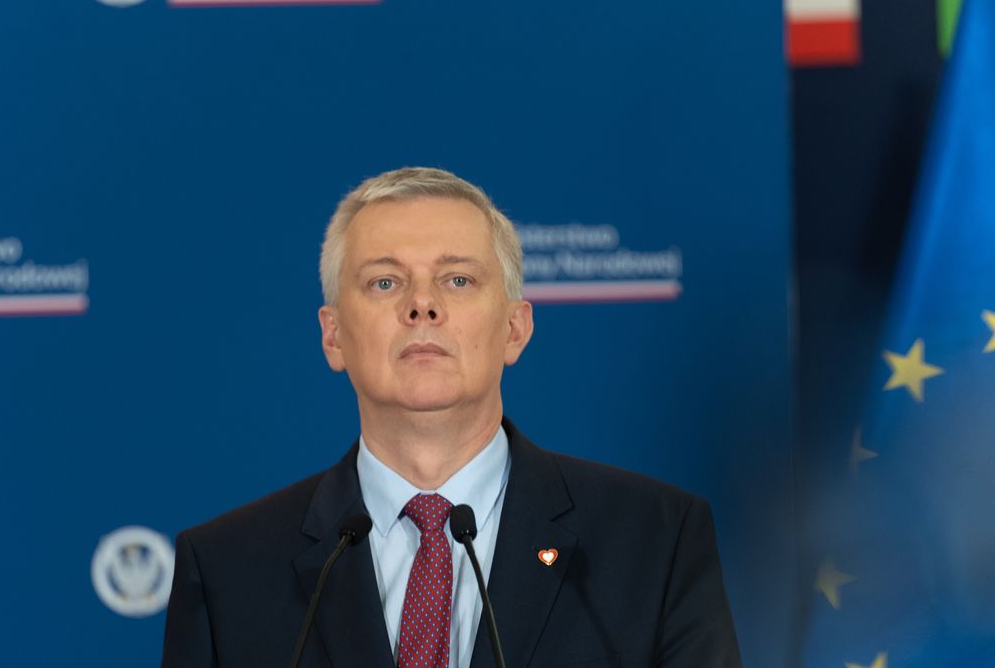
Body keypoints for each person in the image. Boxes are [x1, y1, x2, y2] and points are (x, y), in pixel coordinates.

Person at [161, 167, 742, 668]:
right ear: (333, 336)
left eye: (457, 279)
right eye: (385, 282)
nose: (422, 304)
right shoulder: (226, 571)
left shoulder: (655, 542)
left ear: (514, 329)